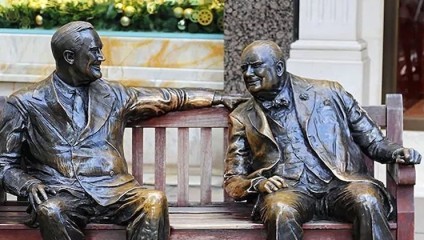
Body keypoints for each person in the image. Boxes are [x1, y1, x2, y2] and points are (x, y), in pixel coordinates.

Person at [0, 21, 239, 240]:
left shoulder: (114, 95)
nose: (101, 57)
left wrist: (217, 97)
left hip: (115, 190)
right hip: (63, 192)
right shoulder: (26, 102)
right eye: (94, 51)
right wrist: (28, 184)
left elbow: (170, 98)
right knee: (51, 211)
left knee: (153, 201)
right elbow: (5, 164)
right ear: (70, 56)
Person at [223, 40, 422, 240]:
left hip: (340, 185)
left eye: (256, 66)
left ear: (279, 67)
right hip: (289, 191)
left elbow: (373, 140)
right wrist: (257, 184)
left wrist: (397, 152)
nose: (248, 74)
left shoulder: (329, 92)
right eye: (244, 68)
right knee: (280, 209)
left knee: (366, 199)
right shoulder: (241, 116)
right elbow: (233, 179)